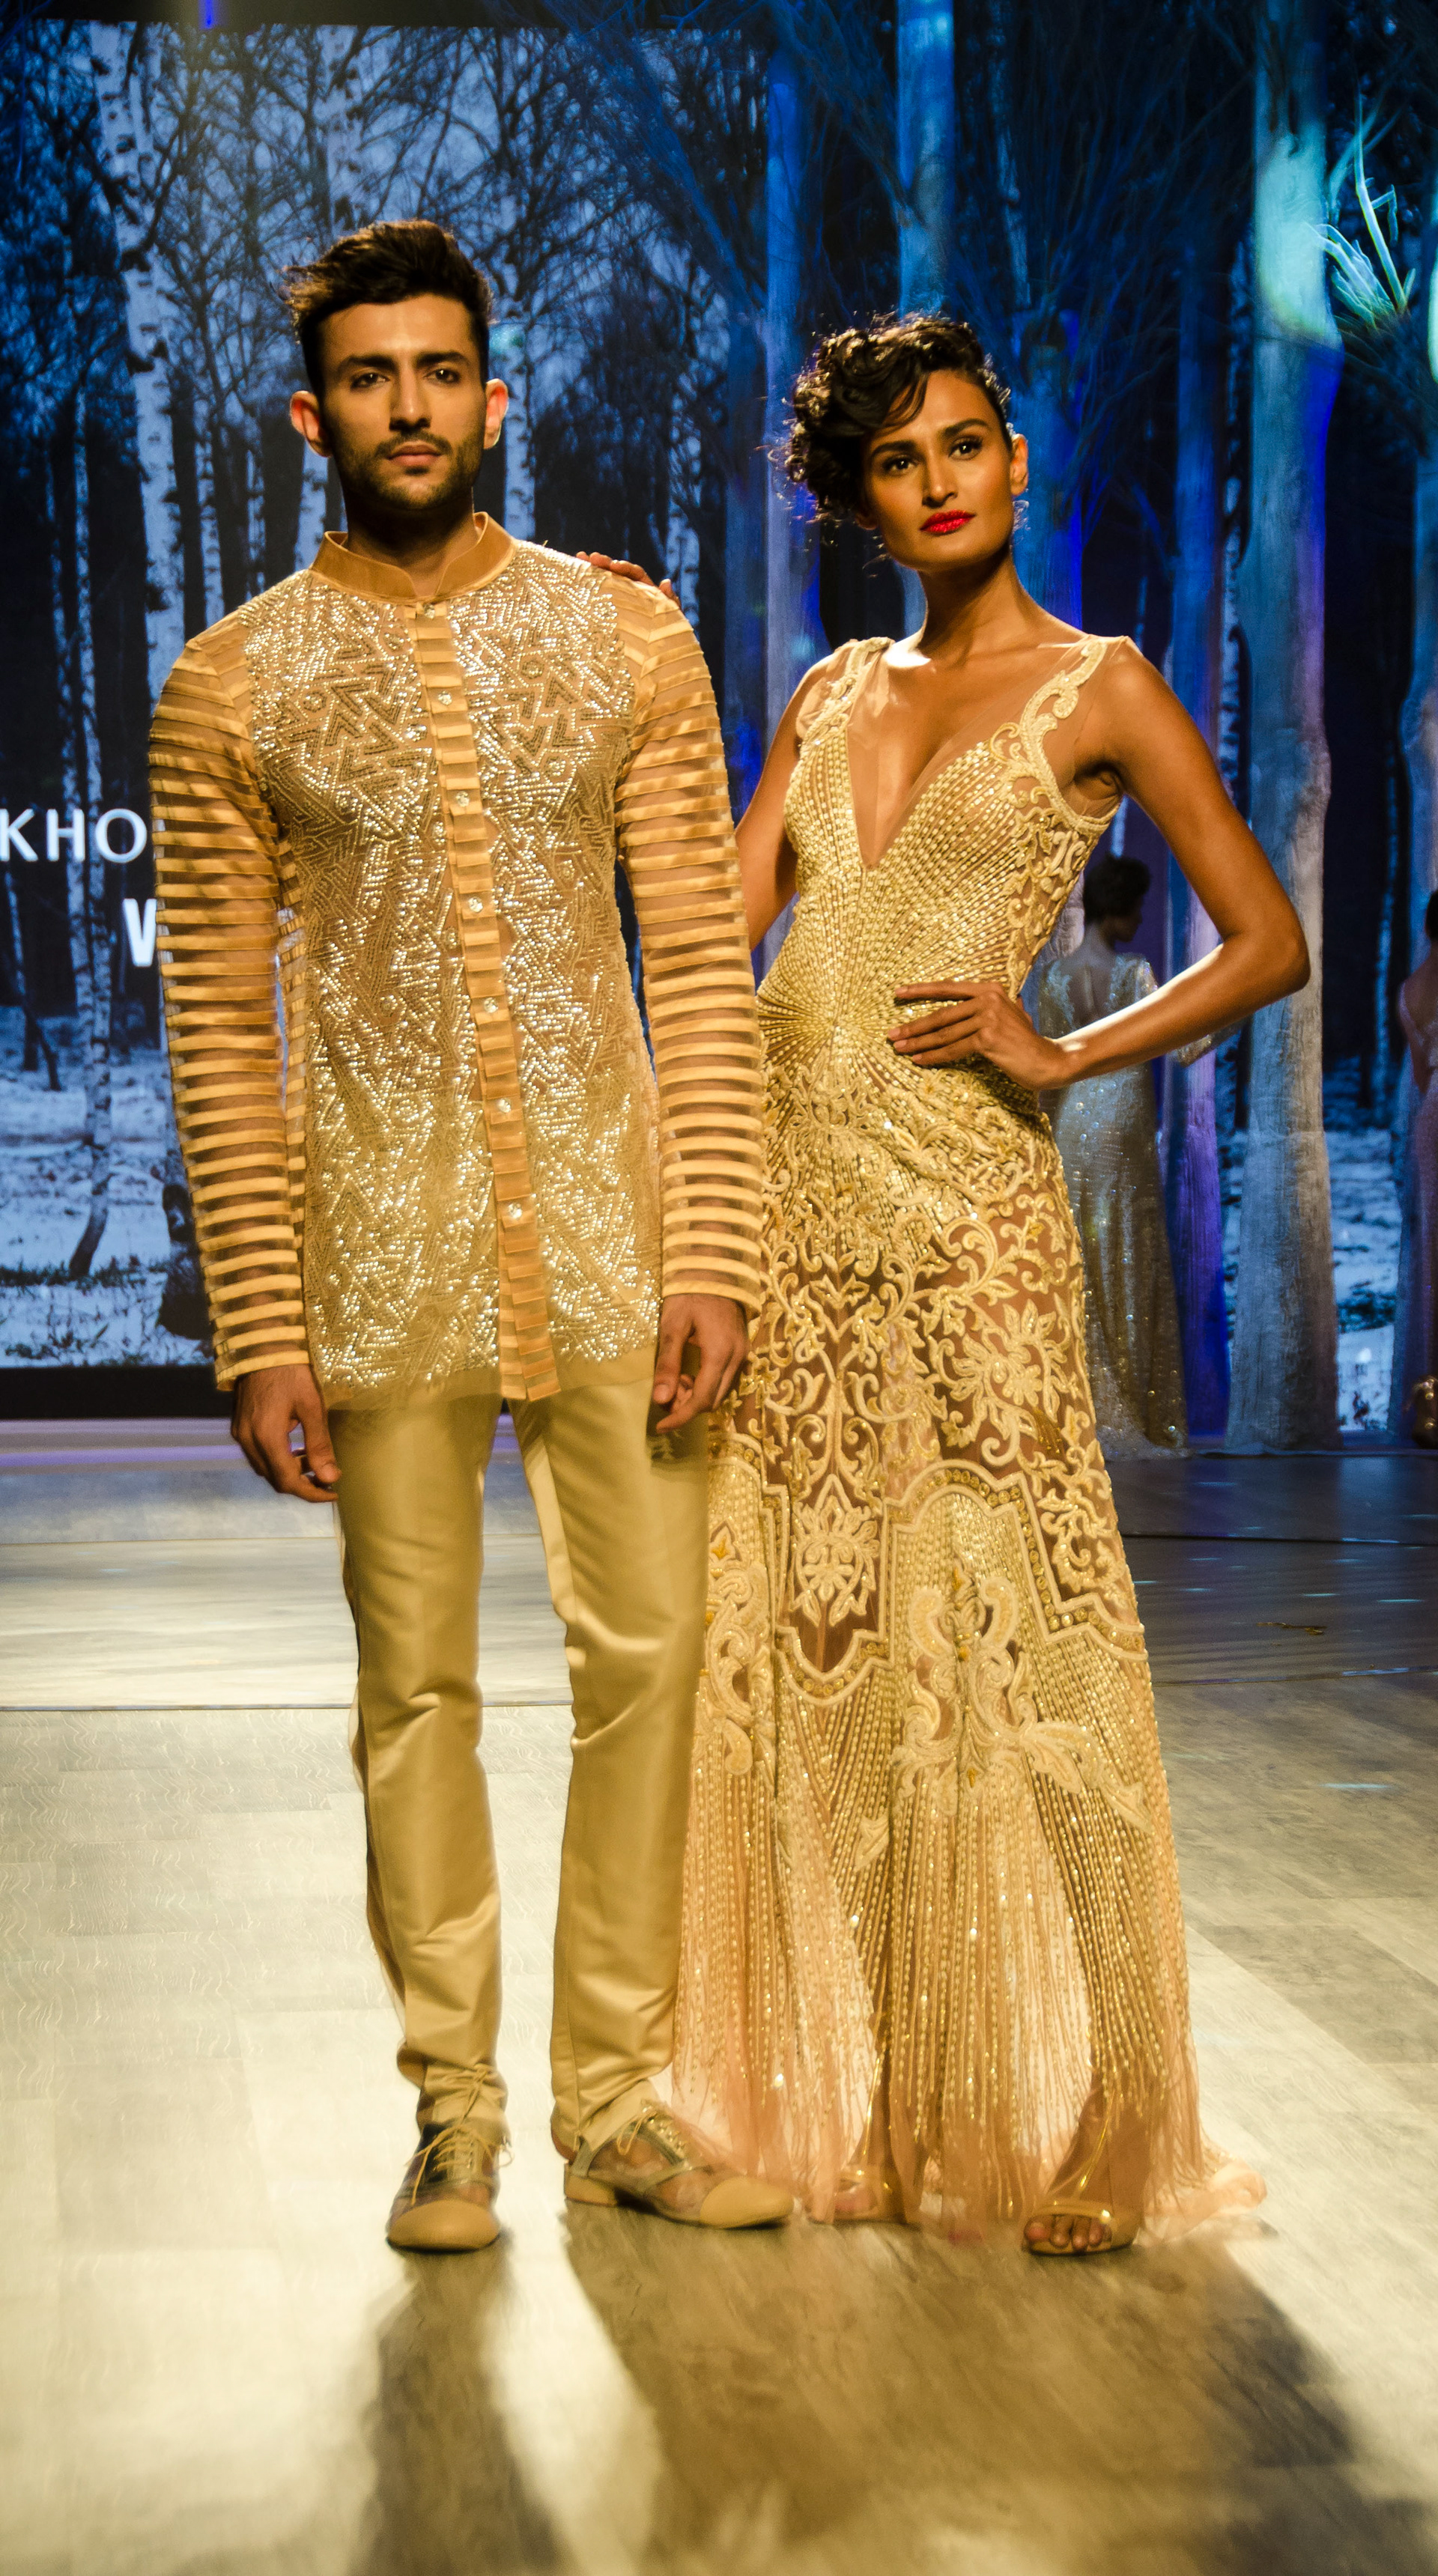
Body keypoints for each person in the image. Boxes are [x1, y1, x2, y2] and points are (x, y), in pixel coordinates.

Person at [151, 220, 792, 2250]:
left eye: (440, 371)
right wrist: (261, 1316)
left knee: (654, 1660)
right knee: (412, 1689)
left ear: (496, 398)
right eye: (370, 377)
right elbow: (216, 1023)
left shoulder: (625, 643)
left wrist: (713, 1244)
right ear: (311, 415)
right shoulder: (231, 681)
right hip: (378, 1249)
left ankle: (621, 2101)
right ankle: (453, 2113)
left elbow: (699, 965)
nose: (408, 406)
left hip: (615, 1230)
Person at [671, 313, 1301, 2253]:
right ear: (864, 504)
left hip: (971, 1225)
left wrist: (1065, 1049)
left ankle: (1124, 2101)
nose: (939, 480)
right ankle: (886, 2091)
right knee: (838, 1664)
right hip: (794, 1221)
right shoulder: (827, 690)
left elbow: (1266, 940)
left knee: (1048, 1664)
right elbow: (714, 926)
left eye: (964, 442)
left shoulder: (1101, 686)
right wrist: (635, 676)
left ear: (1014, 459)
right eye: (899, 459)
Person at [1035, 853, 1186, 1456]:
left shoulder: (1054, 978)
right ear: (1119, 909)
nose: (1141, 918)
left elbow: (1047, 1072)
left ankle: (1085, 1403)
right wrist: (1234, 1010)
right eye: (1137, 907)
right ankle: (1130, 1401)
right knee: (1129, 1247)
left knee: (1082, 1252)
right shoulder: (1134, 971)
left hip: (1073, 1120)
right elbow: (1181, 1040)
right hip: (1123, 1115)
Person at [1394, 889, 1438, 1447]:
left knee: (1434, 1250)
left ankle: (1432, 1401)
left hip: (1433, 1116)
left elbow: (1422, 1074)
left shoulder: (1410, 989)